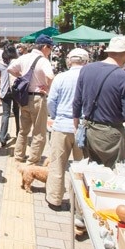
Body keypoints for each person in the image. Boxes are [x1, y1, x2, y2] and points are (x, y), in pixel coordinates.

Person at [73, 36, 125, 168]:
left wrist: (76, 126)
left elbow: (77, 101)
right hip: (111, 135)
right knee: (115, 177)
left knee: (92, 174)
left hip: (89, 130)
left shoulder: (87, 69)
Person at [45, 48, 88, 211]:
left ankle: (54, 199)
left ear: (69, 61)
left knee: (57, 164)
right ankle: (80, 201)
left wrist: (56, 115)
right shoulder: (89, 78)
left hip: (62, 125)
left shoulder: (61, 77)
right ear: (86, 61)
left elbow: (51, 101)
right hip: (83, 127)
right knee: (82, 166)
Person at [8, 34, 55, 165]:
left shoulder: (24, 57)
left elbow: (10, 69)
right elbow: (50, 76)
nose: (50, 50)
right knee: (39, 132)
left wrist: (21, 76)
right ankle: (33, 160)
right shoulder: (44, 60)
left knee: (23, 130)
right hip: (38, 98)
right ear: (45, 47)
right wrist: (47, 87)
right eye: (50, 47)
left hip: (24, 98)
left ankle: (18, 156)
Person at [0, 45, 20, 147]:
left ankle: (2, 137)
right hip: (15, 90)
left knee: (6, 114)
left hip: (4, 91)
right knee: (17, 112)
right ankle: (19, 133)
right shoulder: (16, 62)